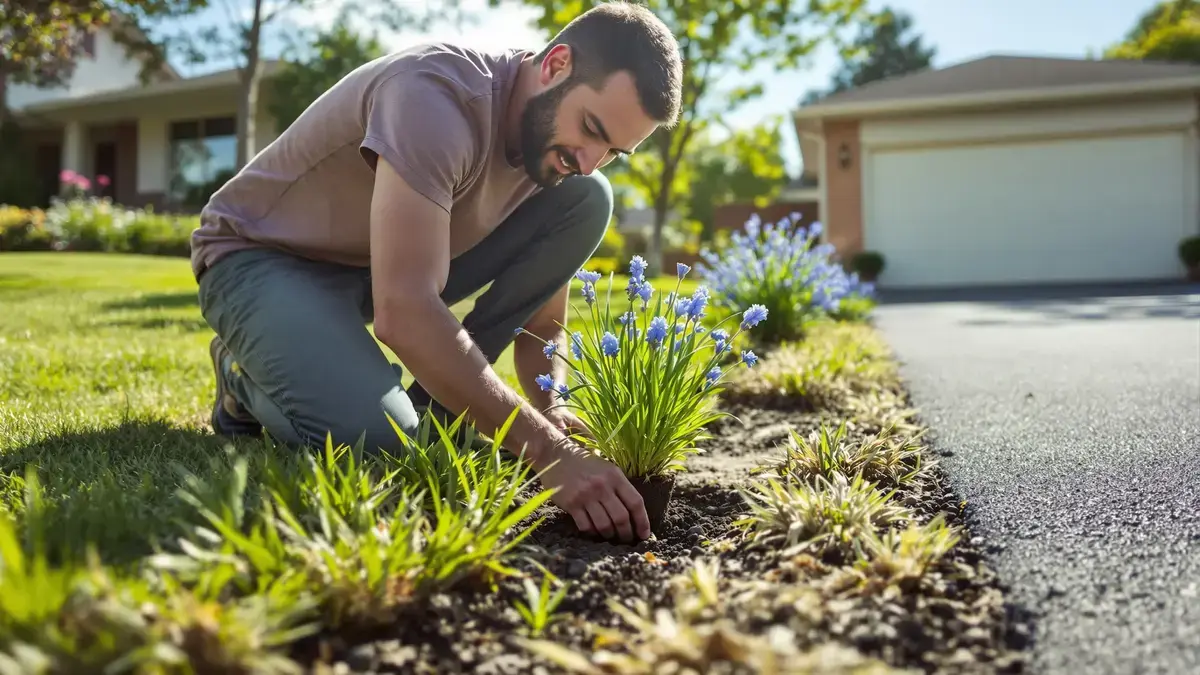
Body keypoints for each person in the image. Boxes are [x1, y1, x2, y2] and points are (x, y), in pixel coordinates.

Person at [190, 2, 683, 543]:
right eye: (591, 129)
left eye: (613, 149)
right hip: (263, 260)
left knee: (590, 199)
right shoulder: (434, 96)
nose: (589, 159)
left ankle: (439, 408)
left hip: (377, 267)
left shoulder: (556, 158)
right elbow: (402, 311)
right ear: (556, 63)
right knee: (379, 448)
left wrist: (553, 410)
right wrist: (546, 451)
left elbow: (541, 326)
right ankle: (241, 371)